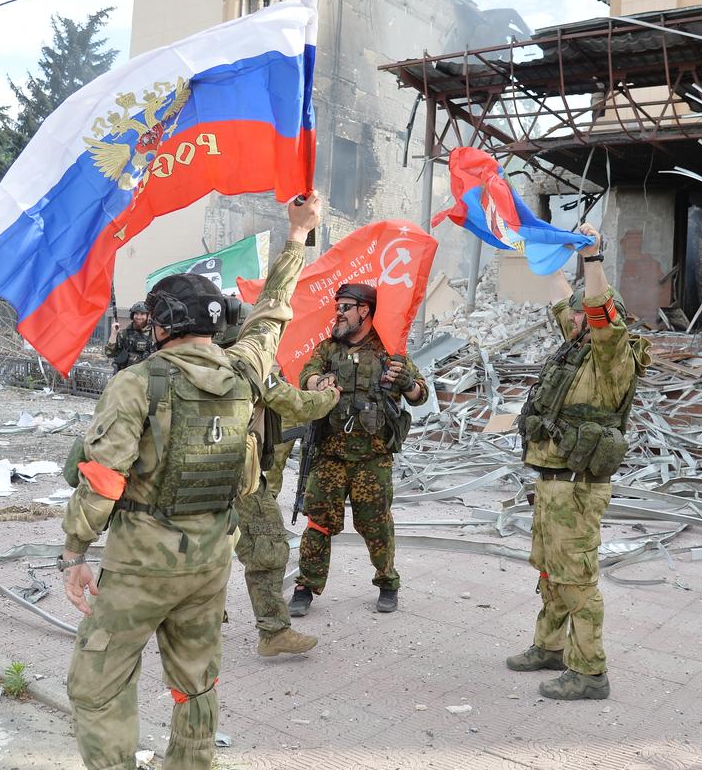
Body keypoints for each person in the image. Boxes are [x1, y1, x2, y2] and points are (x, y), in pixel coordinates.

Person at [59, 192, 322, 770]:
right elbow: (274, 310)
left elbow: (102, 479)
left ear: (162, 325)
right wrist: (298, 236)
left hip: (141, 565)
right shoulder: (246, 367)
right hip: (210, 560)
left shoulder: (136, 383)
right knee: (195, 682)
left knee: (97, 686)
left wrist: (75, 550)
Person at [507, 224, 651, 701]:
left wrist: (592, 256)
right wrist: (541, 246)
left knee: (576, 577)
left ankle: (590, 672)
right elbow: (560, 293)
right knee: (550, 570)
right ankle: (549, 647)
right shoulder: (576, 348)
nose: (567, 321)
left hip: (576, 486)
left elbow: (594, 306)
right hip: (552, 482)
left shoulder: (611, 358)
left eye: (579, 317)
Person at [289, 282, 429, 616]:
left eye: (345, 307)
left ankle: (387, 582)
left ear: (364, 311)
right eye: (337, 306)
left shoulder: (389, 351)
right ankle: (305, 586)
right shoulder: (327, 349)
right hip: (330, 455)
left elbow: (420, 396)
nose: (338, 313)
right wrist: (316, 383)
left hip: (372, 458)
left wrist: (407, 383)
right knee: (318, 522)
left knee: (376, 523)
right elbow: (305, 376)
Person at [215, 309, 340, 657]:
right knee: (269, 549)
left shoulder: (191, 364)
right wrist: (330, 397)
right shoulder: (250, 367)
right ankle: (273, 632)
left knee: (204, 549)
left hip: (199, 477)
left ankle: (198, 618)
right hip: (242, 478)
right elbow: (297, 404)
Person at [105, 301, 154, 373]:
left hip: (144, 378)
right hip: (126, 377)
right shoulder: (125, 334)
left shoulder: (153, 335)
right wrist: (114, 334)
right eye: (136, 314)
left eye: (142, 314)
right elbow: (109, 353)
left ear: (147, 316)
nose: (138, 317)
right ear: (132, 315)